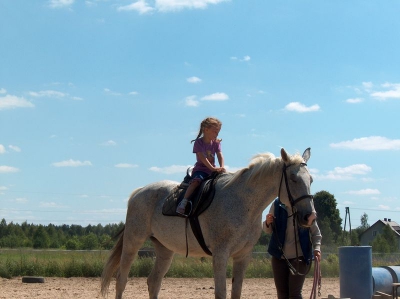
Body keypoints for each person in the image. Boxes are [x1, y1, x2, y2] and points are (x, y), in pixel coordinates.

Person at [263, 198, 322, 299]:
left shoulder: (306, 207)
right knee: (282, 294)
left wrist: (317, 248)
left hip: (300, 257)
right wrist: (267, 223)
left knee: (295, 294)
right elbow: (267, 230)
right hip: (279, 257)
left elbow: (315, 232)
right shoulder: (277, 204)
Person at [176, 117, 226, 216]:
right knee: (196, 182)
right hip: (201, 170)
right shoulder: (199, 143)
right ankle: (184, 202)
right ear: (206, 130)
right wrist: (212, 168)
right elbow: (202, 157)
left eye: (218, 132)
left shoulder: (216, 143)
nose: (216, 134)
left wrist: (222, 167)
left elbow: (220, 155)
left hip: (213, 170)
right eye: (215, 132)